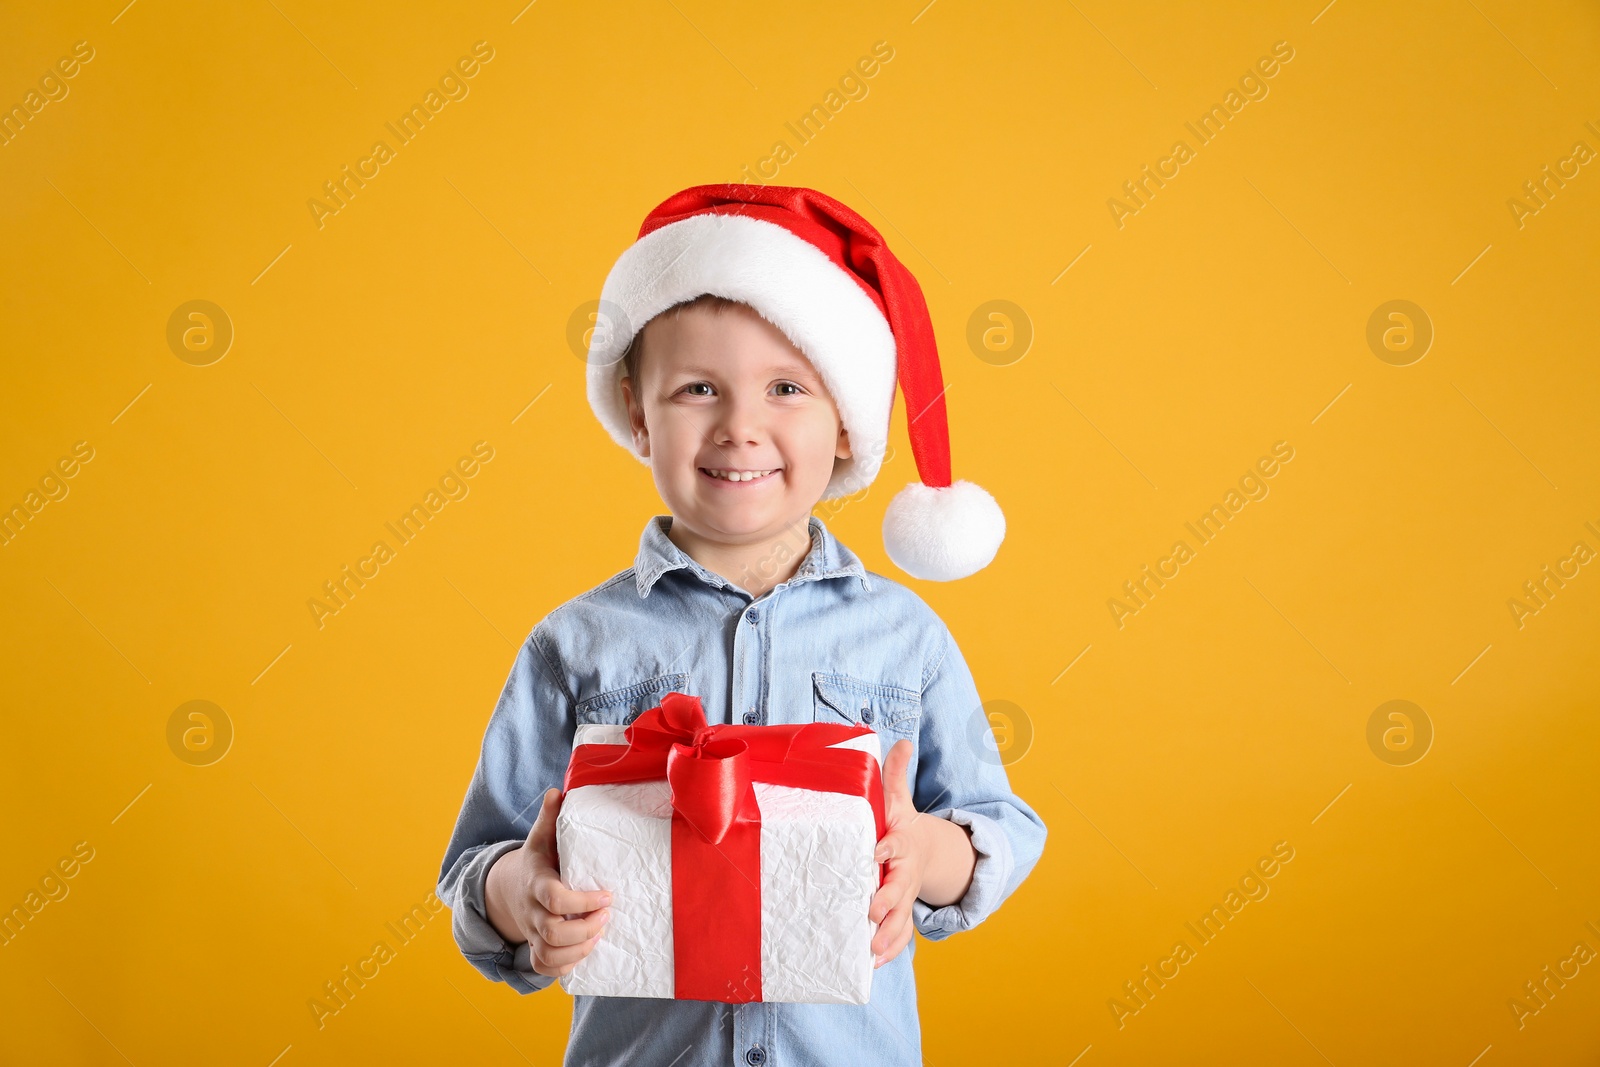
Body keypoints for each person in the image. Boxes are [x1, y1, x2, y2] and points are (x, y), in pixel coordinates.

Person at [437, 183, 1047, 1066]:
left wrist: (927, 855)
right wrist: (518, 894)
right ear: (638, 415)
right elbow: (479, 855)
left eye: (787, 387)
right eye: (697, 388)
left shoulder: (905, 638)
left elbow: (999, 823)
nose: (740, 428)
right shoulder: (573, 643)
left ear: (846, 424)